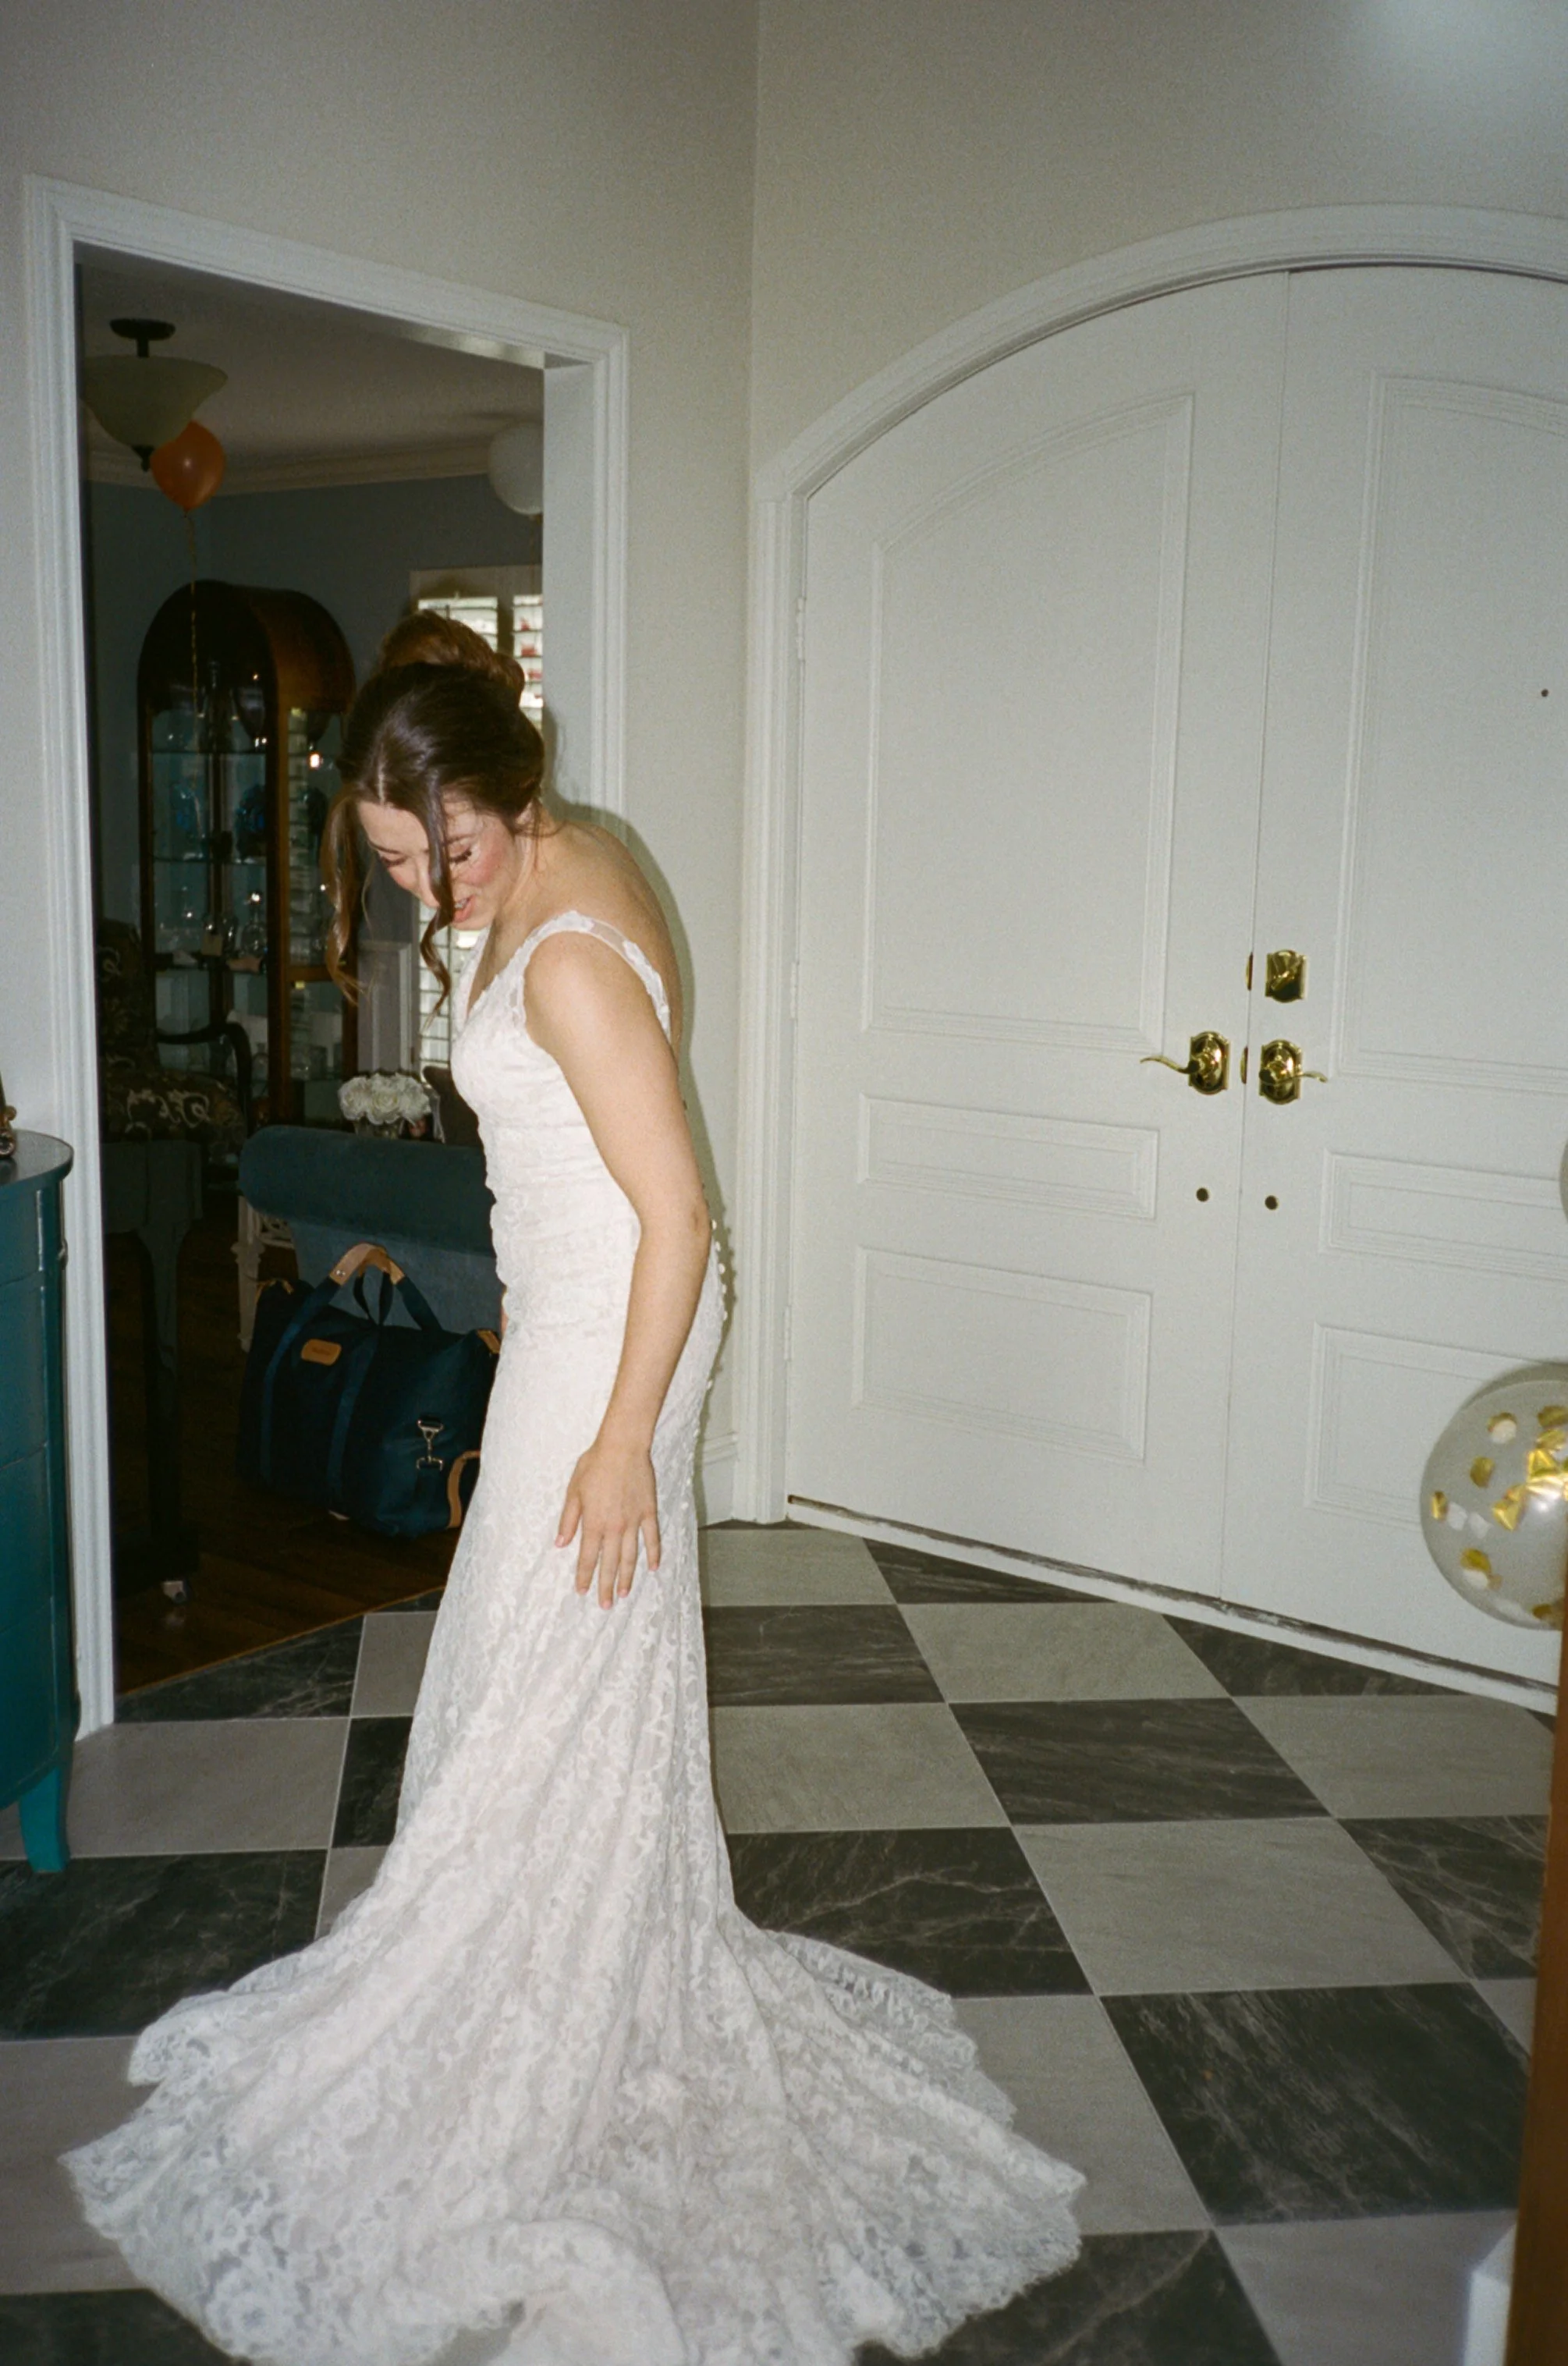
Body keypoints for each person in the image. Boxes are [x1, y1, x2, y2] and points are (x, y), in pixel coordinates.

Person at [66, 615, 1082, 2366]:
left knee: (547, 1641)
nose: (418, 891)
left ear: (507, 798)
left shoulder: (569, 954)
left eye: (439, 851)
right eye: (391, 863)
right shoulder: (571, 844)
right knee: (555, 1654)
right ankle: (579, 1945)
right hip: (589, 1313)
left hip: (625, 1326)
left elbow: (681, 1215)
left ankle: (549, 1988)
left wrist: (618, 1438)